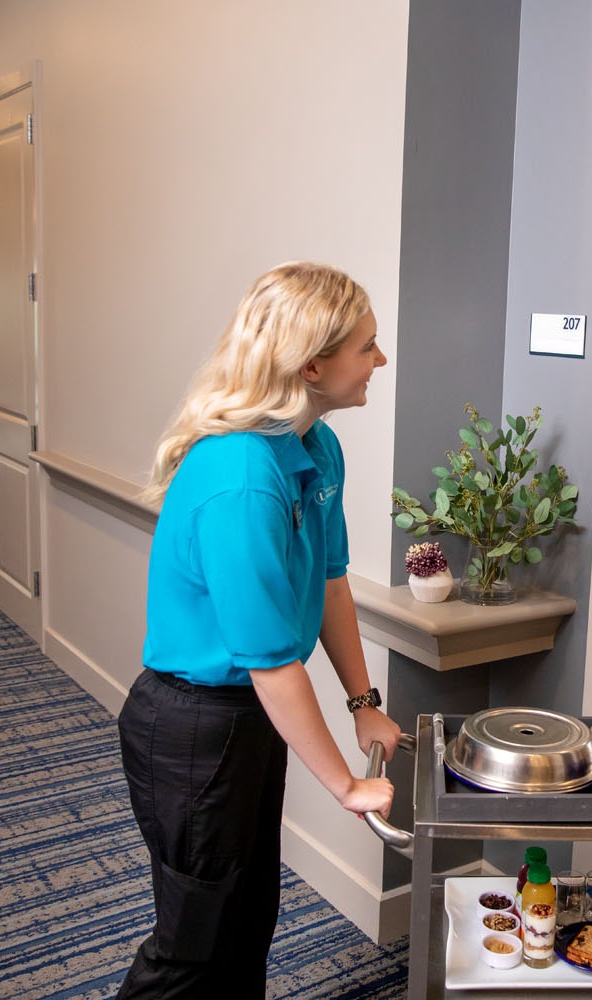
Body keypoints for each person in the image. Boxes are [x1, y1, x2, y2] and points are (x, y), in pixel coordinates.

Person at [116, 261, 400, 998]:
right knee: (192, 947)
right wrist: (342, 784)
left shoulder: (315, 447)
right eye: (367, 346)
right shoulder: (239, 475)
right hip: (195, 728)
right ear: (312, 364)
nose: (381, 359)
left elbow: (330, 580)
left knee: (248, 919)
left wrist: (363, 701)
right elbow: (272, 662)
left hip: (251, 718)